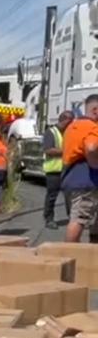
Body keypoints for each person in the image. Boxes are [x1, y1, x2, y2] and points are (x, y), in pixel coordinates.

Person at [60, 94, 98, 243]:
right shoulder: (92, 127)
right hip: (86, 181)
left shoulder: (72, 127)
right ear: (95, 110)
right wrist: (95, 164)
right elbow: (90, 147)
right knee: (79, 219)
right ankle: (67, 256)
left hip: (71, 179)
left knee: (91, 220)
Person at [42, 111, 74, 229]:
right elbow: (48, 150)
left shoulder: (68, 132)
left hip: (67, 169)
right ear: (64, 119)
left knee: (70, 195)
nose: (72, 124)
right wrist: (67, 151)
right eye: (70, 121)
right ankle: (49, 218)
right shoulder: (51, 132)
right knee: (52, 196)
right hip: (53, 170)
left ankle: (72, 218)